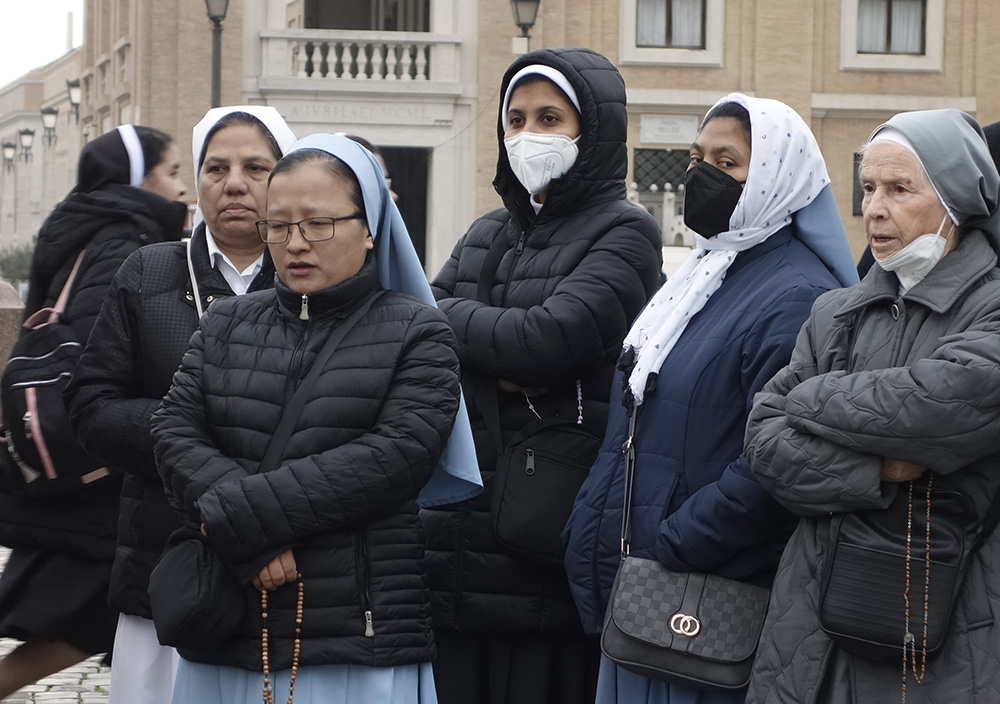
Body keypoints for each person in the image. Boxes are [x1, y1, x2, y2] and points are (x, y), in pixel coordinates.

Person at [150, 133, 480, 704]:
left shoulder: (417, 331)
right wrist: (251, 538)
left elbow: (396, 457)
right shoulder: (226, 322)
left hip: (355, 632)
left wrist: (241, 515)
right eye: (278, 225)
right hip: (228, 621)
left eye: (318, 224)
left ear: (370, 225)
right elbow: (174, 433)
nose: (295, 244)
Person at [563, 94, 859, 704]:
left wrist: (673, 543)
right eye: (697, 156)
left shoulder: (796, 295)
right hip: (641, 590)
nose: (702, 173)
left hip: (699, 601)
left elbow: (777, 458)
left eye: (728, 161)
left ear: (777, 175)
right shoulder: (702, 274)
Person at [423, 47, 664, 704]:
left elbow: (546, 343)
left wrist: (472, 334)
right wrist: (488, 362)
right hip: (457, 547)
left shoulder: (625, 232)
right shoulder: (486, 232)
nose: (530, 134)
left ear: (593, 129)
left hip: (542, 546)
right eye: (517, 118)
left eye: (551, 117)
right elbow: (414, 329)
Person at [744, 111, 1000, 702]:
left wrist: (804, 399)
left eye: (899, 189)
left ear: (957, 200)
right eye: (867, 187)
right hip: (805, 633)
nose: (874, 209)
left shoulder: (990, 309)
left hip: (940, 638)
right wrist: (878, 469)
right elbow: (763, 441)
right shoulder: (834, 310)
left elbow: (935, 407)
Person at [65, 106, 296, 704]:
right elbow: (92, 406)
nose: (234, 183)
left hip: (286, 557)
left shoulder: (311, 277)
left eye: (256, 166)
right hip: (165, 553)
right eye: (215, 167)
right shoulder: (148, 272)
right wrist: (192, 433)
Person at [0, 124, 188, 699]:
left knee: (107, 609)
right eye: (173, 171)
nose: (183, 188)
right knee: (103, 608)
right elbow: (96, 342)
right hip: (100, 468)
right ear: (137, 178)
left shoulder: (97, 229)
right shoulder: (121, 239)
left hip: (87, 465)